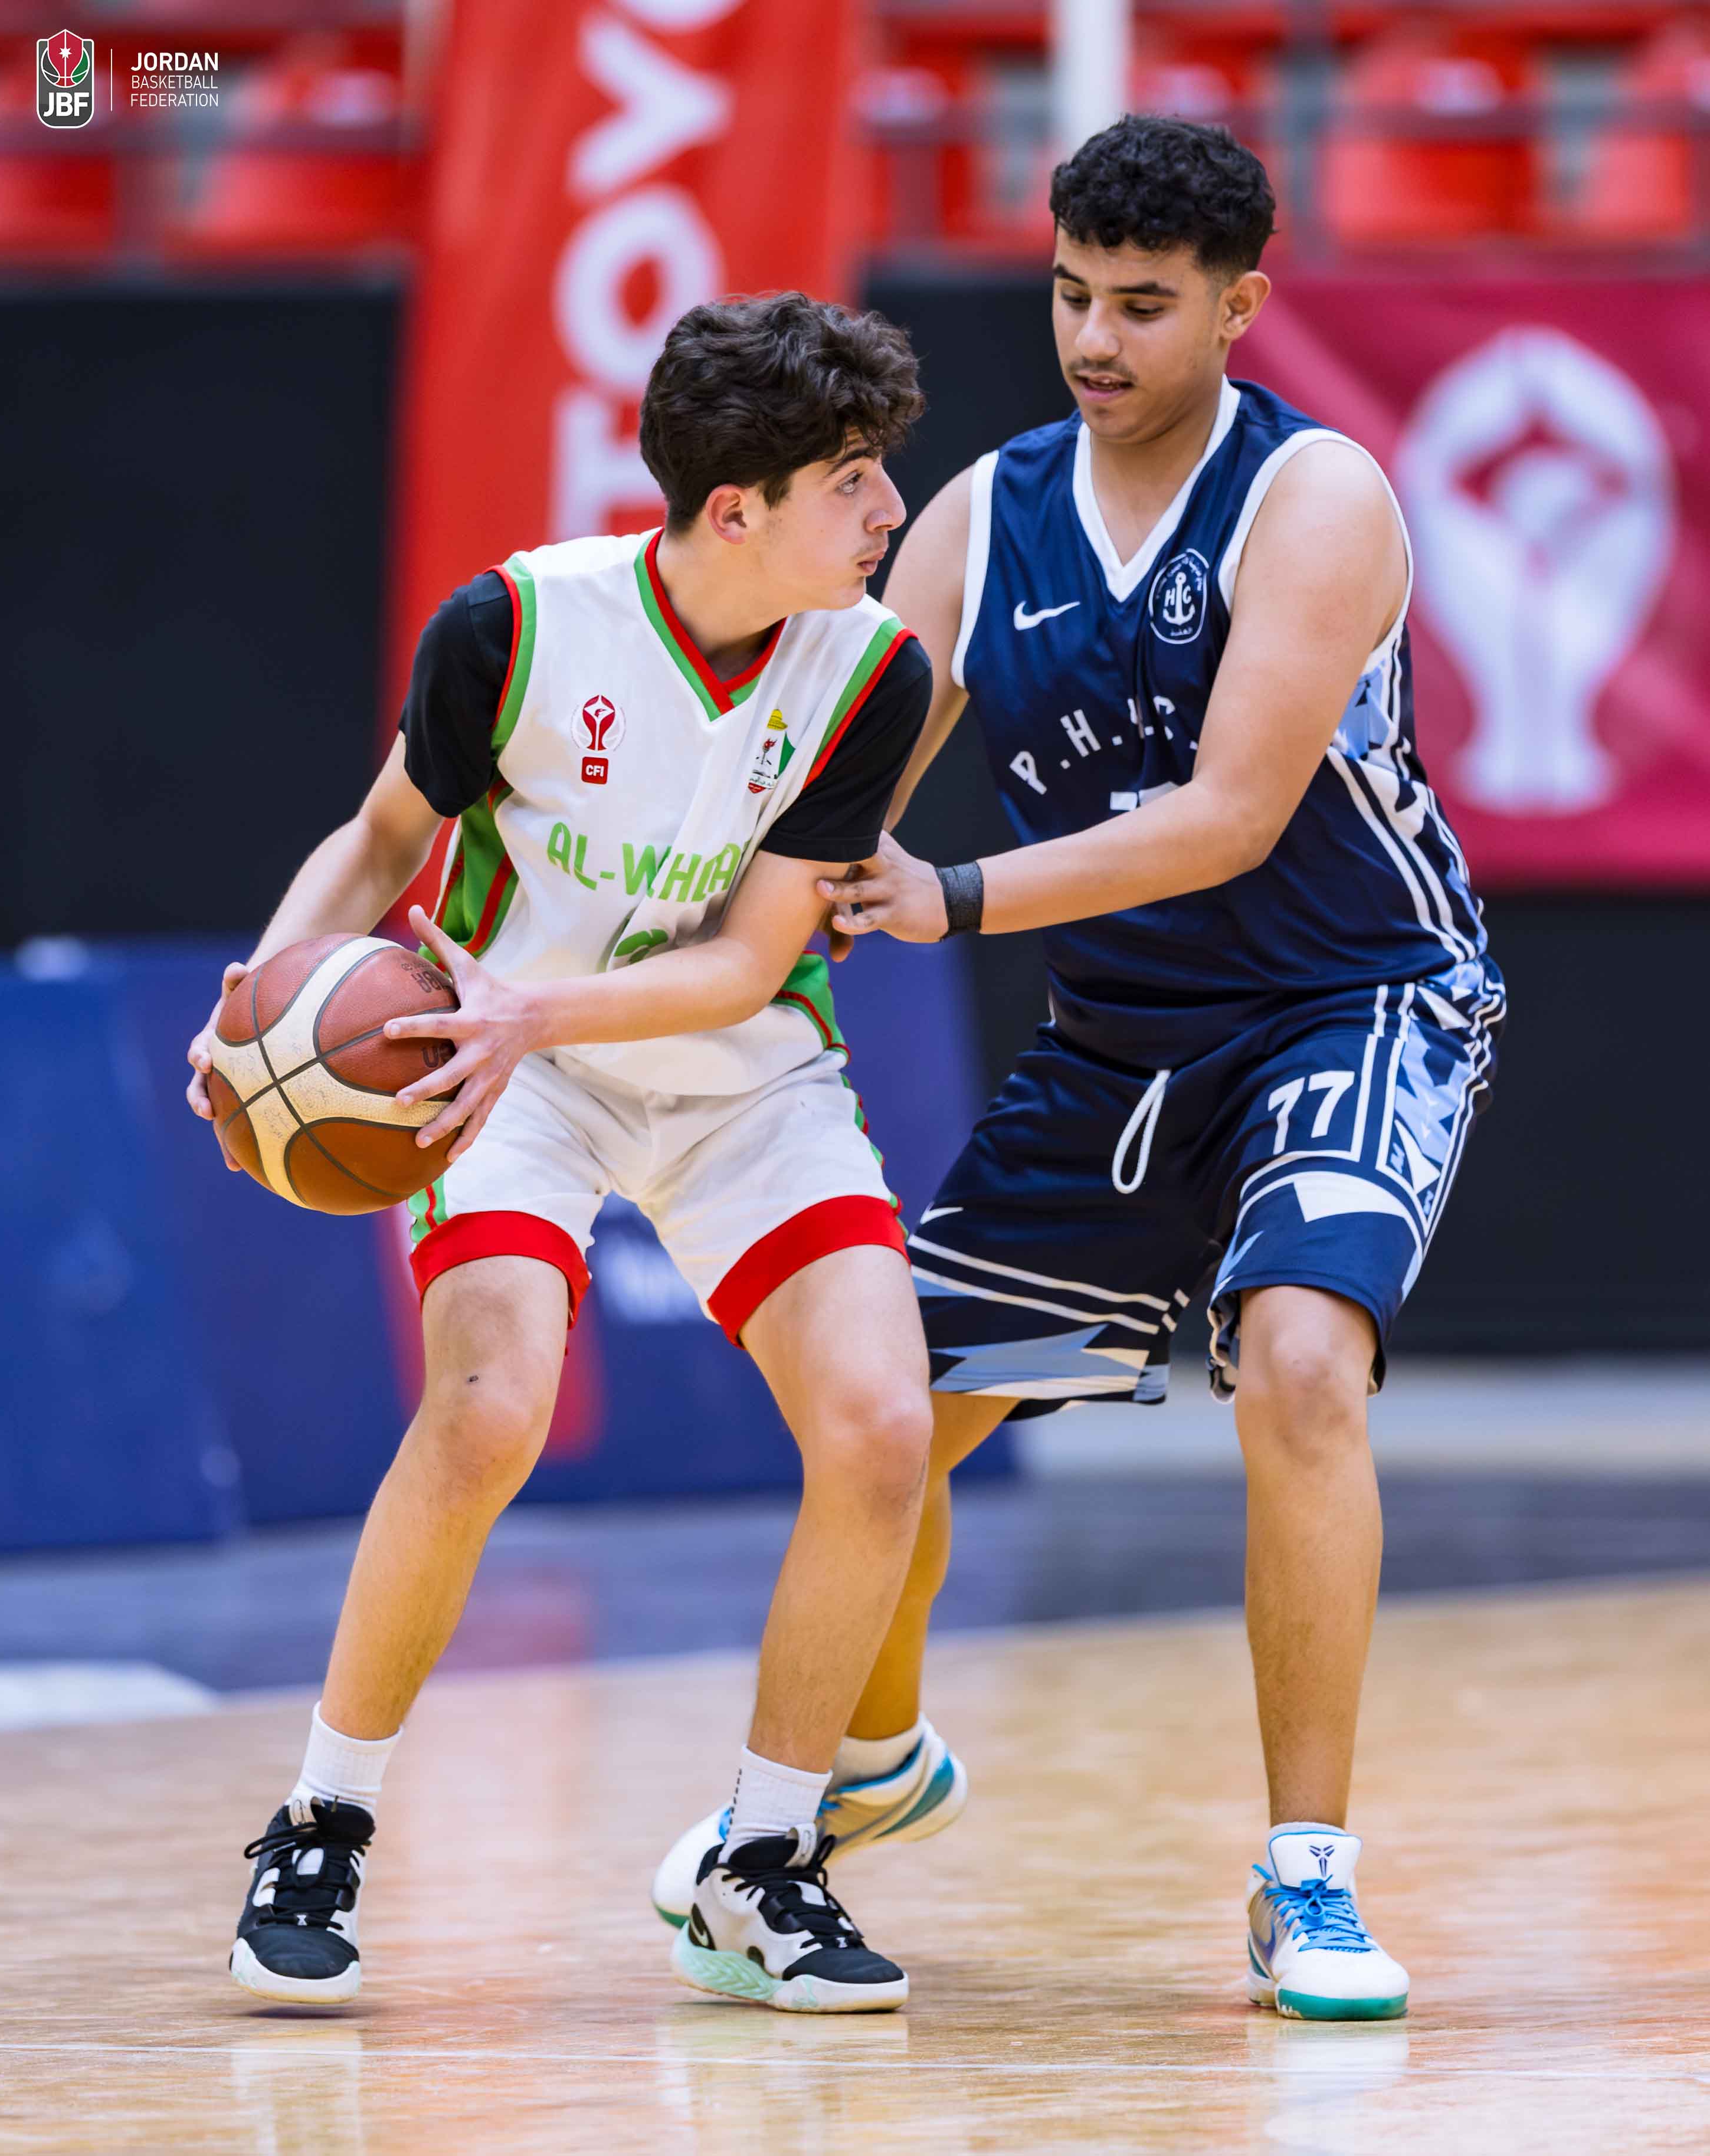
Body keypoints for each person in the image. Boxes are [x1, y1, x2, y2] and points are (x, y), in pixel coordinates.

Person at [654, 119, 1504, 2024]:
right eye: (1068, 296)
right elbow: (833, 776)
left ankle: (1305, 1877)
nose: (1094, 340)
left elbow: (1226, 817)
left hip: (1351, 998)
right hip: (1121, 1042)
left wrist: (949, 895)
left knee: (1298, 1364)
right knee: (881, 1419)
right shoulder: (980, 519)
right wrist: (632, 933)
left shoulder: (1314, 496)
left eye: (1141, 304)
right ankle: (870, 1765)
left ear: (1239, 305)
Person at [188, 291, 965, 2016]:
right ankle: (320, 1823)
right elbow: (381, 837)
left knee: (880, 1428)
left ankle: (762, 1861)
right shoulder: (516, 625)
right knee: (488, 1413)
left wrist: (539, 1014)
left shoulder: (871, 670)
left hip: (726, 1065)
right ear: (737, 506)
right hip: (500, 1068)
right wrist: (259, 1005)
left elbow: (751, 963)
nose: (889, 510)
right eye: (854, 478)